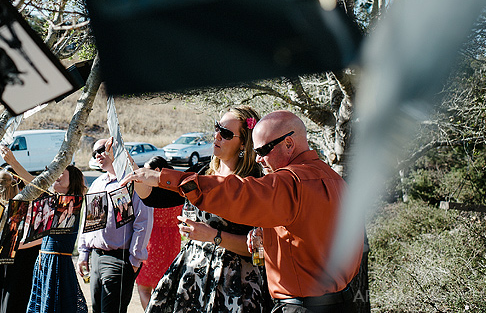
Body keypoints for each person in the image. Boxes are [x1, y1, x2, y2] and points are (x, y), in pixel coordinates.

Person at [123, 110, 364, 313]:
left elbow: (236, 194)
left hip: (301, 305)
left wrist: (167, 178)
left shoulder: (290, 182)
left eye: (264, 150)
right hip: (342, 299)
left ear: (289, 143)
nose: (259, 159)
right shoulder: (335, 180)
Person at [136, 106, 270, 313]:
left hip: (234, 281)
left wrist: (213, 236)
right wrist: (130, 169)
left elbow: (260, 248)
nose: (216, 136)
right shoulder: (202, 171)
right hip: (193, 271)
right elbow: (154, 197)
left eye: (225, 134)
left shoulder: (255, 182)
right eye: (217, 128)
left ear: (244, 142)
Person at [0, 146, 89, 313]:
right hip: (43, 262)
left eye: (62, 173)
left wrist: (13, 162)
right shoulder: (52, 200)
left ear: (73, 181)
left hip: (58, 263)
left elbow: (34, 184)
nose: (57, 176)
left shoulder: (73, 203)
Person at [78, 138, 153, 313]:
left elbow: (143, 223)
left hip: (119, 259)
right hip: (96, 258)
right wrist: (83, 253)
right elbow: (87, 221)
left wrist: (134, 260)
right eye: (94, 152)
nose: (98, 154)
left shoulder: (132, 182)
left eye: (102, 149)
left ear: (115, 150)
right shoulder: (97, 184)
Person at [0, 169, 42, 313]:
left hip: (19, 261)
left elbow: (40, 236)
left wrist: (20, 244)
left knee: (11, 302)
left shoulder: (24, 206)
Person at [133, 156, 182, 310]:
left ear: (156, 171)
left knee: (144, 286)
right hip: (173, 240)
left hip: (152, 240)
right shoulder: (176, 190)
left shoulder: (152, 193)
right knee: (167, 285)